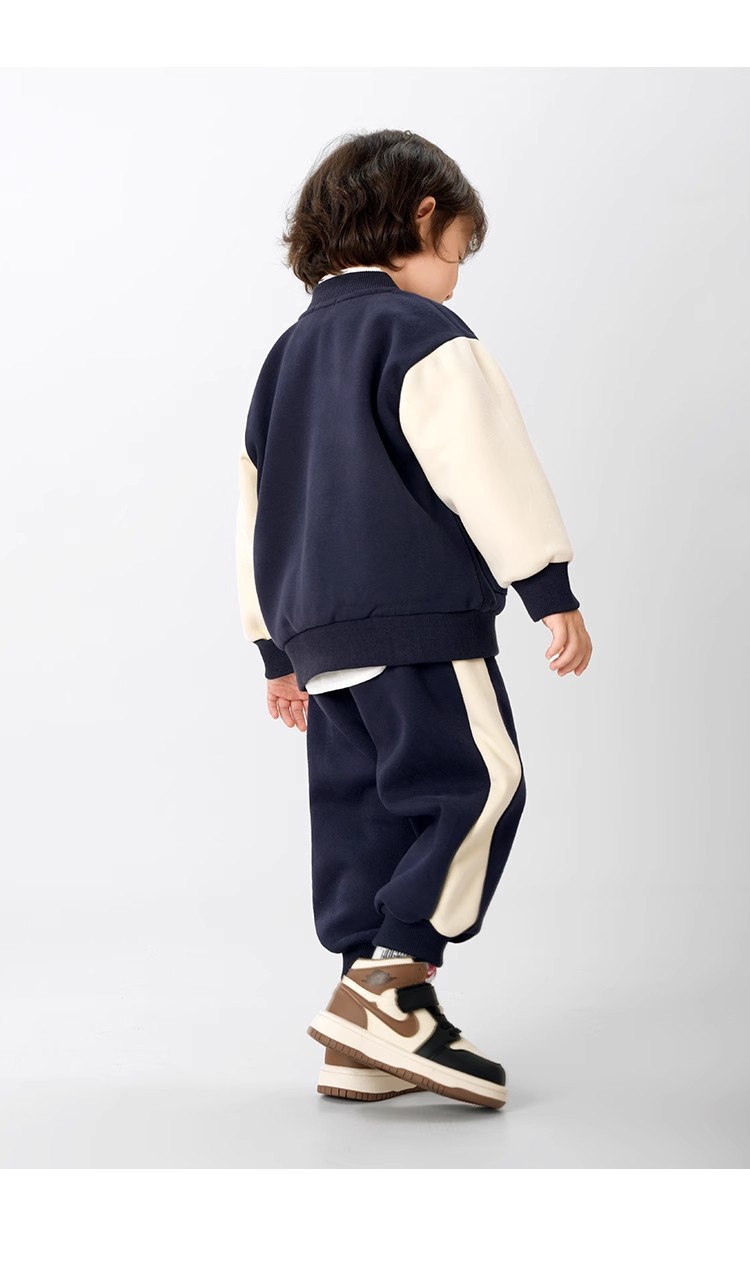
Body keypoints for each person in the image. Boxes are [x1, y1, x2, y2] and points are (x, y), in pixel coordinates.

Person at [235, 128, 593, 1110]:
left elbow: (256, 506)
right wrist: (547, 585)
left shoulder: (285, 358)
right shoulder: (419, 333)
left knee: (366, 820)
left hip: (319, 641)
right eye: (458, 254)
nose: (456, 278)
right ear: (422, 216)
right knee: (480, 782)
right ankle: (392, 987)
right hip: (417, 620)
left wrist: (272, 648)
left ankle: (357, 1035)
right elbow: (484, 462)